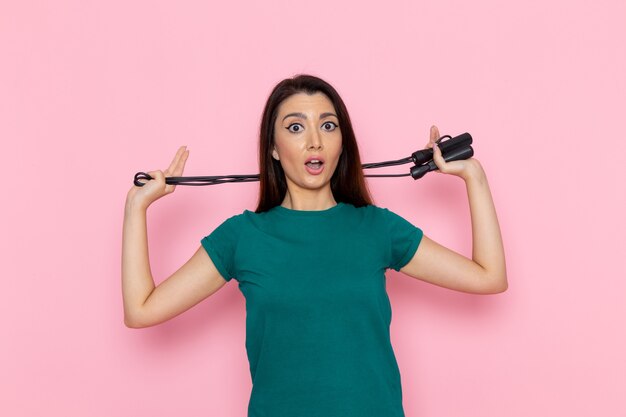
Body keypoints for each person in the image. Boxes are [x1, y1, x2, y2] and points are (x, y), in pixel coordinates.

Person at [122, 74, 507, 416]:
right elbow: (141, 311)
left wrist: (474, 178)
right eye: (294, 127)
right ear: (273, 149)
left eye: (327, 125)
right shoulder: (242, 237)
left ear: (342, 142)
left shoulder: (376, 228)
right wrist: (135, 209)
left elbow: (489, 277)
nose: (314, 141)